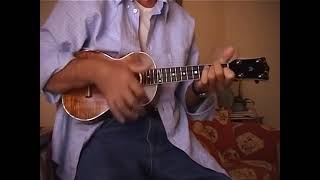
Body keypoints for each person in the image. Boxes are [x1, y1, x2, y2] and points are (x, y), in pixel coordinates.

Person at [40, 0, 236, 180]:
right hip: (101, 134)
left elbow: (185, 100)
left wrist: (200, 88)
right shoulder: (84, 3)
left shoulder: (184, 22)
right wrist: (99, 72)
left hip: (169, 135)